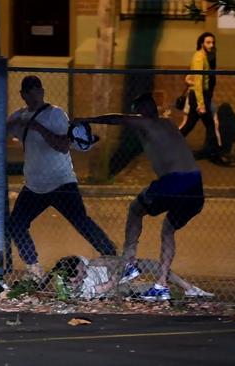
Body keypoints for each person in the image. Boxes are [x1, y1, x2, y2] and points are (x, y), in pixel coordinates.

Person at [72, 93, 205, 301]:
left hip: (174, 181)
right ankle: (161, 286)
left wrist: (87, 120)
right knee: (168, 229)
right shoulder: (168, 124)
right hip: (196, 184)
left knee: (135, 209)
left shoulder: (146, 123)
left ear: (142, 109)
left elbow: (117, 119)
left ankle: (130, 265)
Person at [0, 75, 117, 281]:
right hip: (35, 185)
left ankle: (112, 257)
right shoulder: (19, 116)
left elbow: (62, 146)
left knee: (81, 221)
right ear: (23, 95)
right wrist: (13, 124)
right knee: (16, 224)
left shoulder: (55, 114)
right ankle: (34, 268)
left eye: (37, 91)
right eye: (29, 92)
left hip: (61, 182)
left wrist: (38, 127)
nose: (34, 95)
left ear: (42, 91)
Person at [41, 255, 214, 301]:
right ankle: (168, 293)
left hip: (111, 271)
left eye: (82, 268)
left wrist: (118, 262)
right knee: (148, 289)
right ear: (72, 280)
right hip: (114, 287)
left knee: (154, 266)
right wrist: (120, 271)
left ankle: (190, 289)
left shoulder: (70, 265)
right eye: (82, 273)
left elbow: (96, 261)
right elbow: (109, 285)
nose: (85, 271)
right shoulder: (75, 291)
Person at [179, 32, 234, 167]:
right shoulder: (199, 57)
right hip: (199, 97)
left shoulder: (205, 56)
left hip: (201, 97)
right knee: (209, 126)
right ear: (201, 43)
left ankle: (167, 149)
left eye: (213, 42)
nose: (211, 45)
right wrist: (201, 104)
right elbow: (198, 80)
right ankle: (216, 156)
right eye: (208, 42)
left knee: (189, 125)